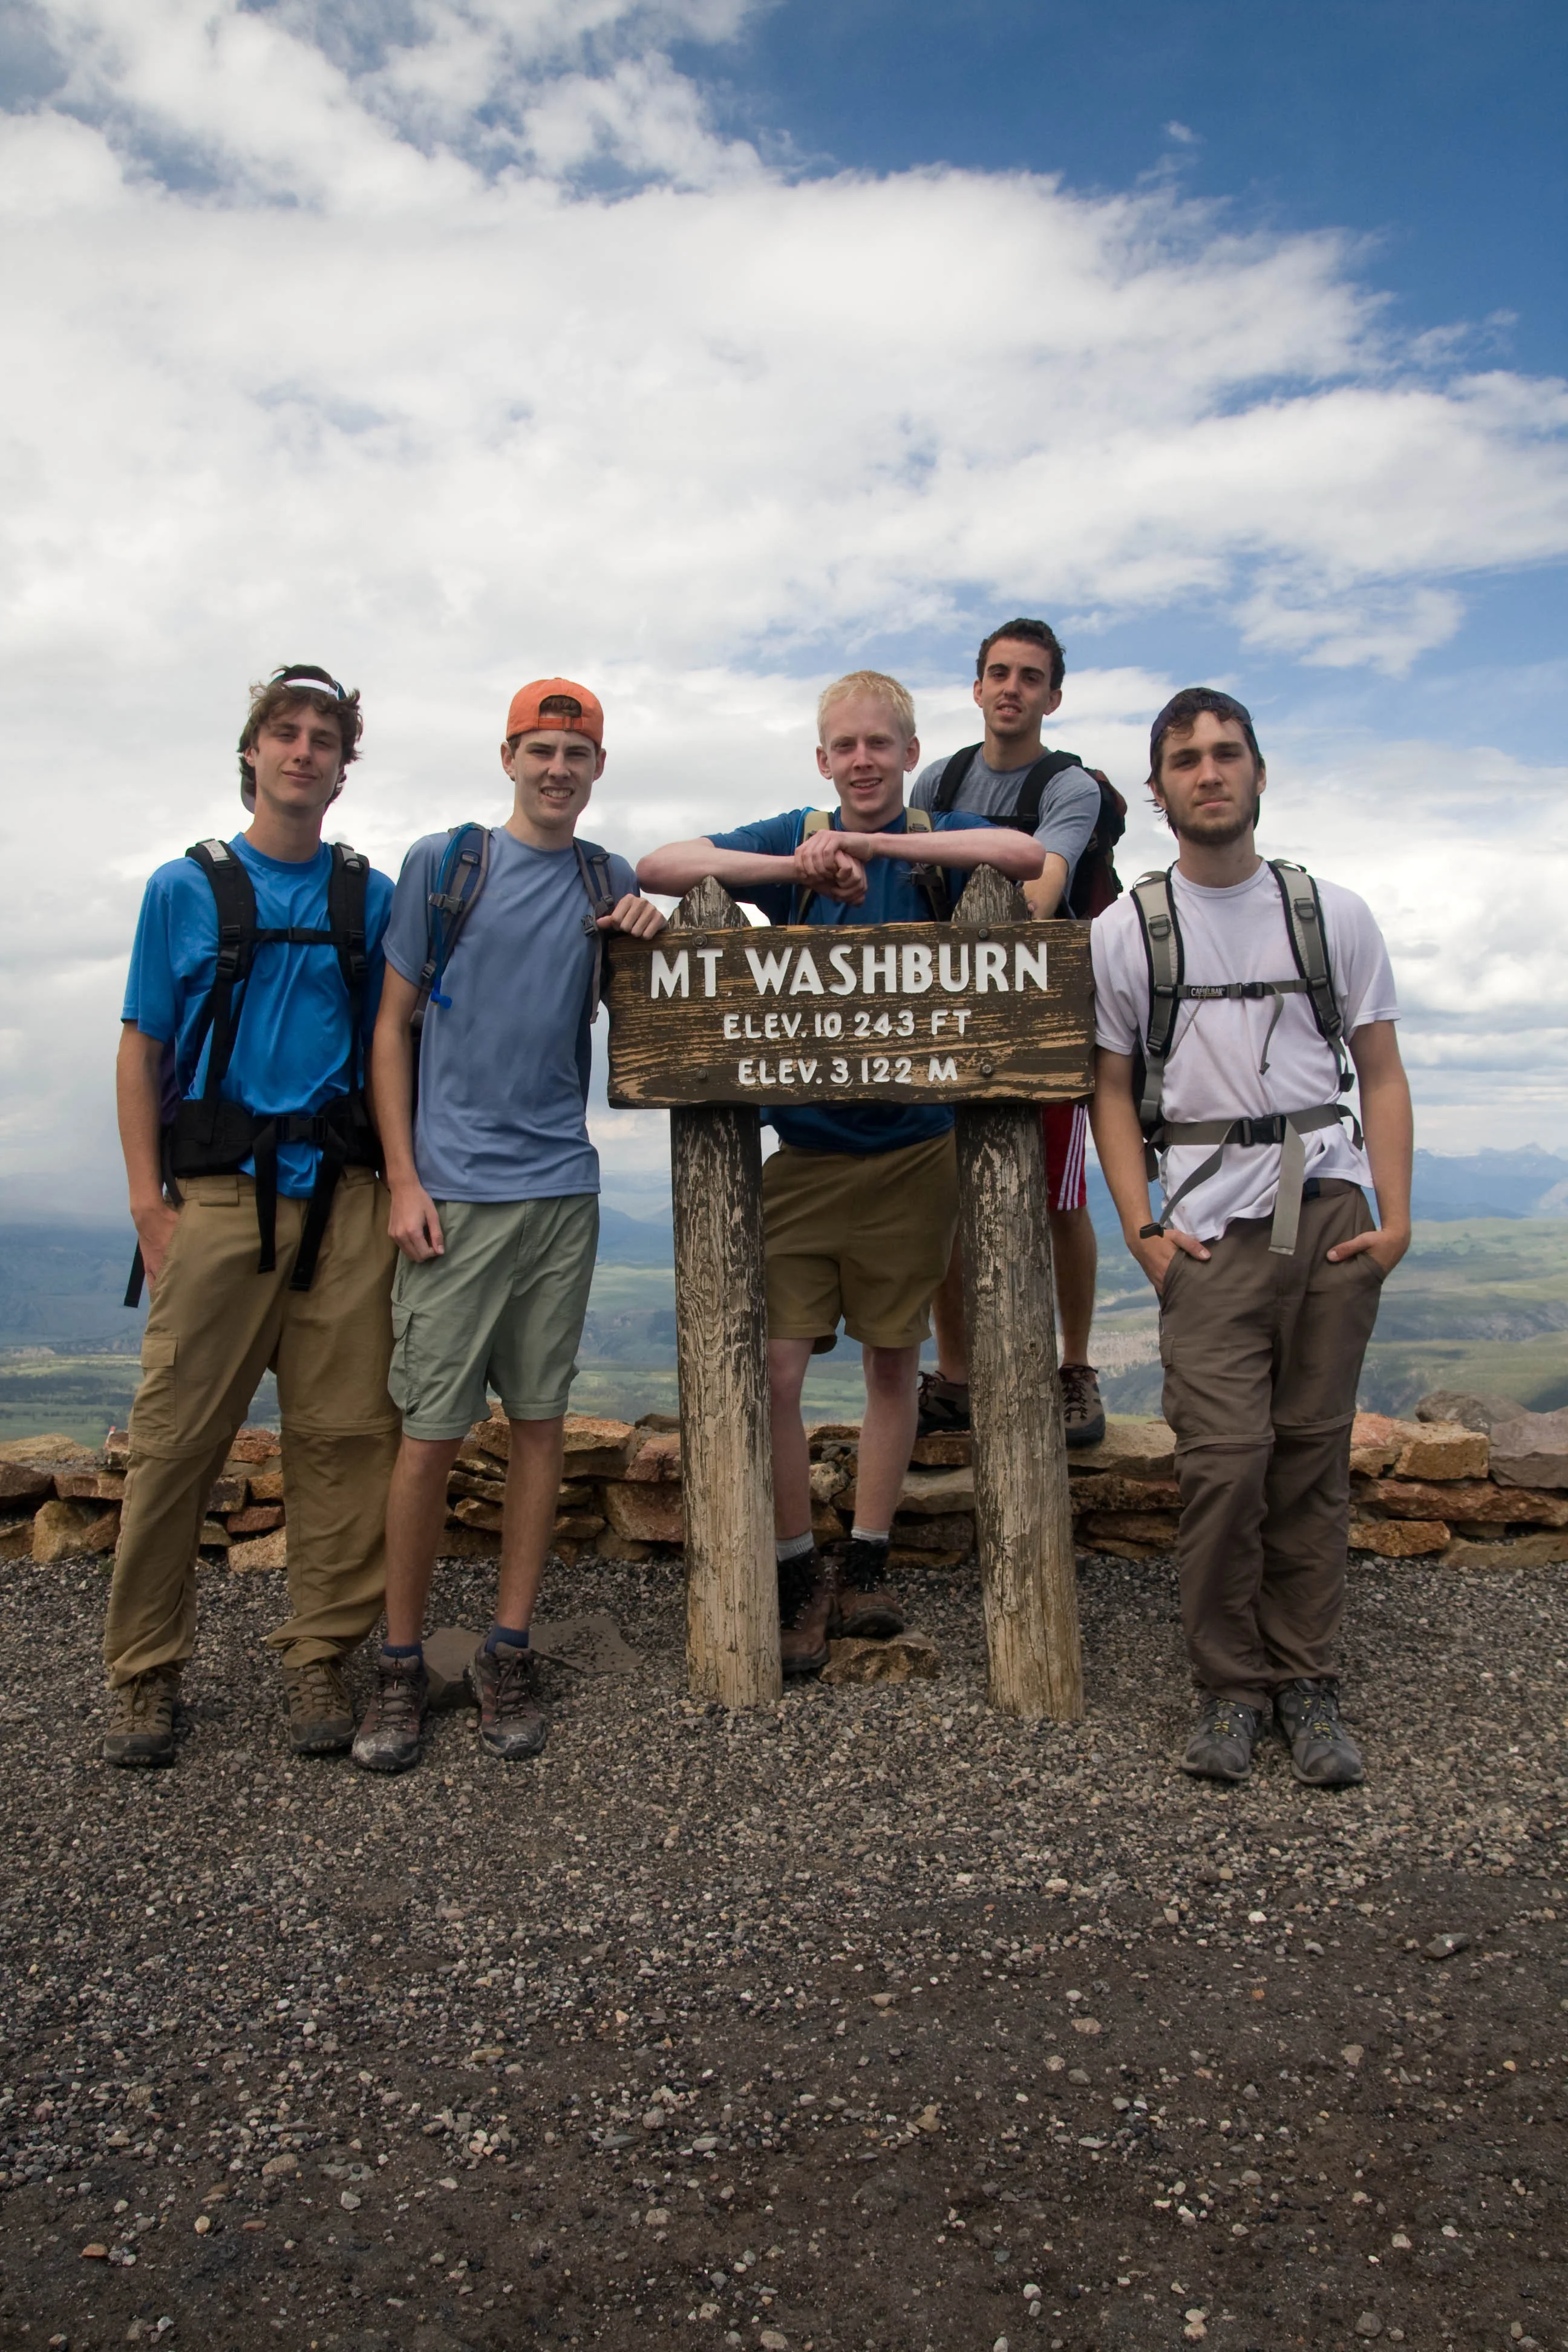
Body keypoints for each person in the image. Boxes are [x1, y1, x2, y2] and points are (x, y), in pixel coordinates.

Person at [637, 670, 1043, 1674]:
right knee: (776, 1369)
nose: (862, 761)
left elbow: (1024, 856)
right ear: (822, 760)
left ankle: (865, 1559)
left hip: (915, 1155)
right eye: (845, 747)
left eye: (880, 744)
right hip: (807, 1157)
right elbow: (659, 863)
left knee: (895, 1362)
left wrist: (872, 845)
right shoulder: (794, 829)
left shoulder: (931, 837)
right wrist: (798, 869)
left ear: (909, 752)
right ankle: (788, 1565)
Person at [1088, 687, 1412, 1787]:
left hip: (1328, 1210)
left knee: (1312, 1460)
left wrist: (1396, 1218)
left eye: (1228, 754)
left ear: (1261, 773)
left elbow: (1380, 1068)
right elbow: (1113, 1090)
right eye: (1186, 759)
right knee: (1227, 1465)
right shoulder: (1126, 932)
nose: (1209, 773)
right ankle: (1231, 1688)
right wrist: (1144, 1232)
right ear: (1159, 788)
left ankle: (1306, 1682)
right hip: (1209, 1232)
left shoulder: (1336, 915)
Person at [352, 678, 665, 1775]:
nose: (557, 770)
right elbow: (390, 1028)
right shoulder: (445, 868)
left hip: (561, 1194)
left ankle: (507, 1649)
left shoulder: (606, 878)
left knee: (540, 1424)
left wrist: (650, 933)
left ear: (597, 769)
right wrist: (403, 1177)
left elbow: (642, 1011)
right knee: (430, 1436)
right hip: (455, 1196)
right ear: (507, 757)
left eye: (576, 755)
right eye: (540, 750)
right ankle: (398, 1663)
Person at [106, 665, 399, 1768]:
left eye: (325, 736)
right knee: (176, 1449)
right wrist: (149, 1205)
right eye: (286, 732)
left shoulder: (366, 898)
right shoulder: (181, 891)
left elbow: (391, 1047)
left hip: (343, 1206)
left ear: (342, 764)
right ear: (253, 752)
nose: (304, 750)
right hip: (219, 1204)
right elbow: (142, 1048)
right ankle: (143, 1675)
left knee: (345, 1443)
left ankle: (319, 1655)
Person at [911, 618, 1116, 1448]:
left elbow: (1049, 879)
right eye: (998, 673)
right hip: (949, 1022)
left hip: (1044, 1022)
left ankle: (1076, 1369)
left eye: (1030, 677)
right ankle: (957, 1379)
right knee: (947, 1205)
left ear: (1052, 697)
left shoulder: (1070, 787)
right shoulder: (938, 778)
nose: (1011, 688)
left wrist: (996, 919)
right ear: (976, 687)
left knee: (1061, 1200)